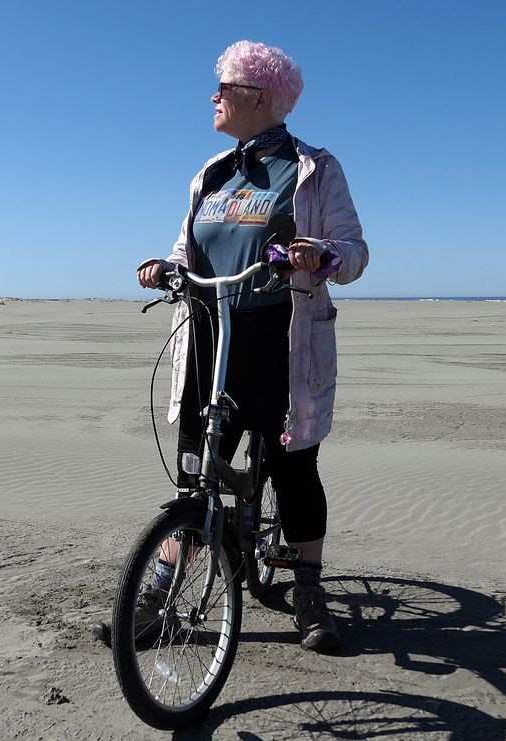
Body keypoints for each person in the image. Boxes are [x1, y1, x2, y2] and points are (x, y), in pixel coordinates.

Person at [111, 40, 367, 651]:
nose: (213, 96)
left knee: (294, 466)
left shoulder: (313, 168)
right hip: (207, 335)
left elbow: (354, 253)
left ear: (260, 97)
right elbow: (186, 248)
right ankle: (161, 588)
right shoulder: (212, 173)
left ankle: (308, 588)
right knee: (193, 470)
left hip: (281, 337)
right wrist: (164, 267)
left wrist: (321, 255)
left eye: (223, 87)